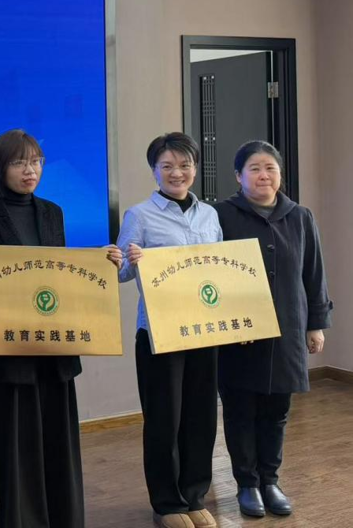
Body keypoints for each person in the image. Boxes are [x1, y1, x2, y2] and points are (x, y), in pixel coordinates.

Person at [0, 130, 121, 528]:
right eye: (19, 162)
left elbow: (59, 276)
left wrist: (100, 262)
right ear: (0, 168)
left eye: (36, 162)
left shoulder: (53, 212)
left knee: (58, 444)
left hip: (53, 352)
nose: (30, 170)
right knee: (15, 449)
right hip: (6, 352)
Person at [214, 141, 332, 518]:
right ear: (238, 176)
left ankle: (270, 481)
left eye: (270, 168)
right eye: (254, 168)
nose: (263, 175)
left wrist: (316, 325)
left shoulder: (301, 217)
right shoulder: (221, 215)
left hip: (288, 330)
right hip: (237, 333)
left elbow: (314, 273)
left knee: (277, 411)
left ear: (280, 175)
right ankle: (246, 484)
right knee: (239, 409)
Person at [117, 133, 222, 528]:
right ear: (154, 171)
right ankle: (166, 504)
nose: (177, 172)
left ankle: (194, 496)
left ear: (195, 168)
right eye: (167, 166)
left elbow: (219, 268)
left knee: (201, 416)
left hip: (205, 330)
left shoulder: (209, 215)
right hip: (159, 333)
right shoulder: (140, 215)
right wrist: (128, 259)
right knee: (165, 419)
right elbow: (122, 273)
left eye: (184, 165)